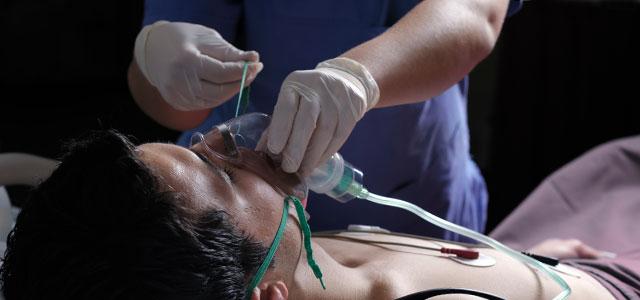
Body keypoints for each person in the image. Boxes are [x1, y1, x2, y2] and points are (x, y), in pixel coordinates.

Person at [2, 130, 638, 299]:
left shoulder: (308, 258)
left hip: (565, 255)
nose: (225, 140)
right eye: (219, 173)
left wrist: (536, 266)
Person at [128, 0, 524, 239]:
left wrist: (357, 76)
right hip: (238, 231)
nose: (211, 144)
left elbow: (474, 13)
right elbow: (178, 110)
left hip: (418, 204)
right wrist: (160, 66)